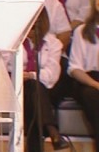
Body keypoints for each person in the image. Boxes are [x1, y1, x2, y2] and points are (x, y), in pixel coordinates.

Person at [4, 10, 68, 152]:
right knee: (33, 91)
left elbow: (51, 76)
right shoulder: (11, 40)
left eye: (34, 27)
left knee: (34, 89)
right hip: (15, 88)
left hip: (44, 91)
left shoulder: (53, 44)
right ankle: (52, 130)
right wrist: (20, 76)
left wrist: (30, 75)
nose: (31, 31)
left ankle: (44, 136)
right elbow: (3, 67)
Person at [68, 0, 99, 150]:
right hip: (87, 79)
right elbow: (75, 68)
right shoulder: (82, 31)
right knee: (92, 95)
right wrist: (95, 84)